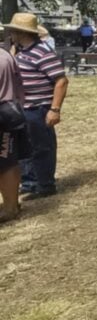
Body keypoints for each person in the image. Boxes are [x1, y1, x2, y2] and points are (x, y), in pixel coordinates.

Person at [6, 13, 68, 198]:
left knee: (41, 147)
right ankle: (29, 183)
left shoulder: (42, 53)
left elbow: (61, 81)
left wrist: (54, 109)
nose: (10, 34)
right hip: (22, 108)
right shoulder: (19, 51)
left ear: (22, 32)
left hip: (38, 107)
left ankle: (45, 184)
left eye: (13, 31)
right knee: (24, 147)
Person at [0, 45, 26, 222]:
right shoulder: (6, 55)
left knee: (6, 163)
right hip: (11, 111)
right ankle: (11, 204)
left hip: (3, 112)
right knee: (9, 160)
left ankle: (10, 208)